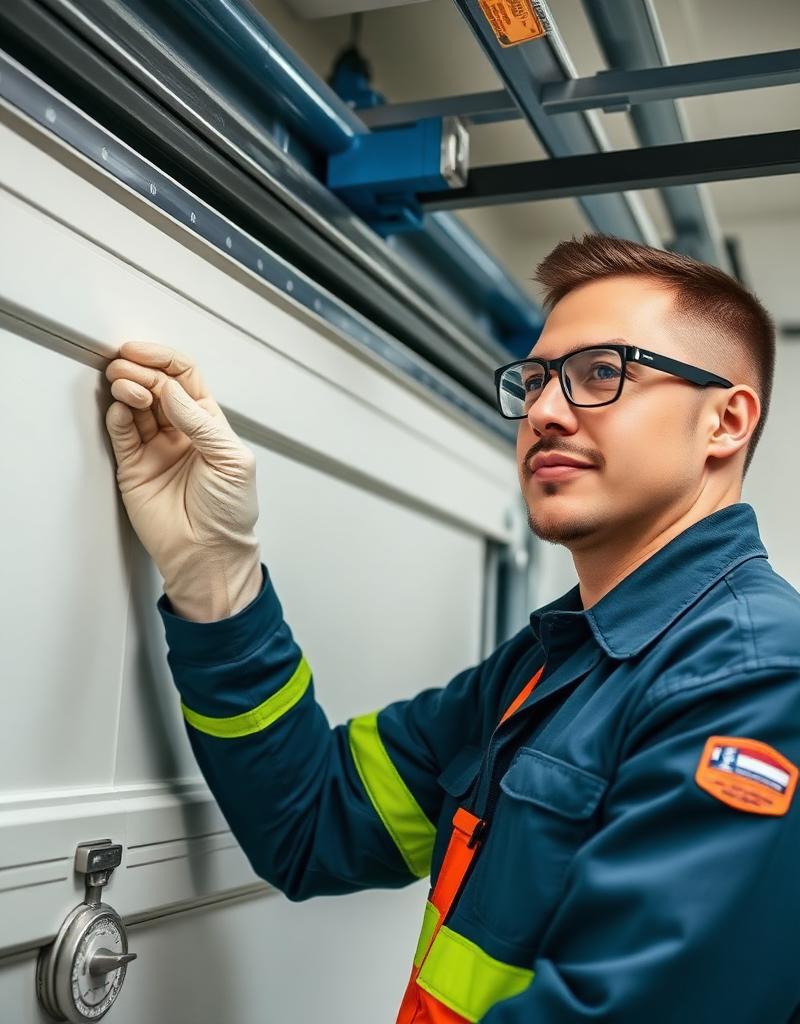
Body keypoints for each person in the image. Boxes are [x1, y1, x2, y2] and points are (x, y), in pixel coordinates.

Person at [104, 233, 800, 1023]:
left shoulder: (753, 678)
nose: (542, 411)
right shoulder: (548, 666)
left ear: (725, 421)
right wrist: (213, 569)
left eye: (601, 373)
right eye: (534, 381)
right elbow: (311, 820)